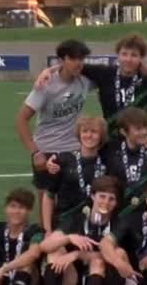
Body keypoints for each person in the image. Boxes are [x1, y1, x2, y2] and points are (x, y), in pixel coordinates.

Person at [18, 39, 93, 230]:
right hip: (47, 150)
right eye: (73, 58)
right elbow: (21, 120)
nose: (79, 63)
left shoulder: (85, 80)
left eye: (81, 59)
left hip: (73, 150)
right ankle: (45, 237)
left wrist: (50, 68)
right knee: (46, 206)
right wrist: (35, 153)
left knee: (73, 203)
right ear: (63, 59)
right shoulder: (46, 85)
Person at [35, 176, 124, 285]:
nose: (105, 202)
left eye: (111, 199)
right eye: (102, 196)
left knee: (98, 262)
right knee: (55, 251)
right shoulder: (77, 219)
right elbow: (44, 246)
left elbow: (114, 257)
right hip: (73, 284)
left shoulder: (119, 223)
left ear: (116, 203)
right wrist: (68, 238)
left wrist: (77, 254)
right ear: (92, 196)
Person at [33, 35, 147, 131]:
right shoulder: (105, 73)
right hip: (110, 143)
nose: (128, 59)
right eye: (124, 54)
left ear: (141, 58)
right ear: (118, 55)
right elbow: (72, 66)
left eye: (134, 55)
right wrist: (48, 70)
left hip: (139, 140)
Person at [40, 117, 115, 231]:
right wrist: (47, 230)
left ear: (101, 136)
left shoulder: (108, 162)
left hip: (95, 224)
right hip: (65, 222)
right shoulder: (63, 160)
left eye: (94, 132)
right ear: (79, 135)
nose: (89, 135)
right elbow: (49, 196)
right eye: (85, 131)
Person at [108, 107, 147, 217]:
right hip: (120, 214)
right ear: (123, 132)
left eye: (146, 127)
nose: (144, 132)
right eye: (138, 129)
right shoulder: (111, 152)